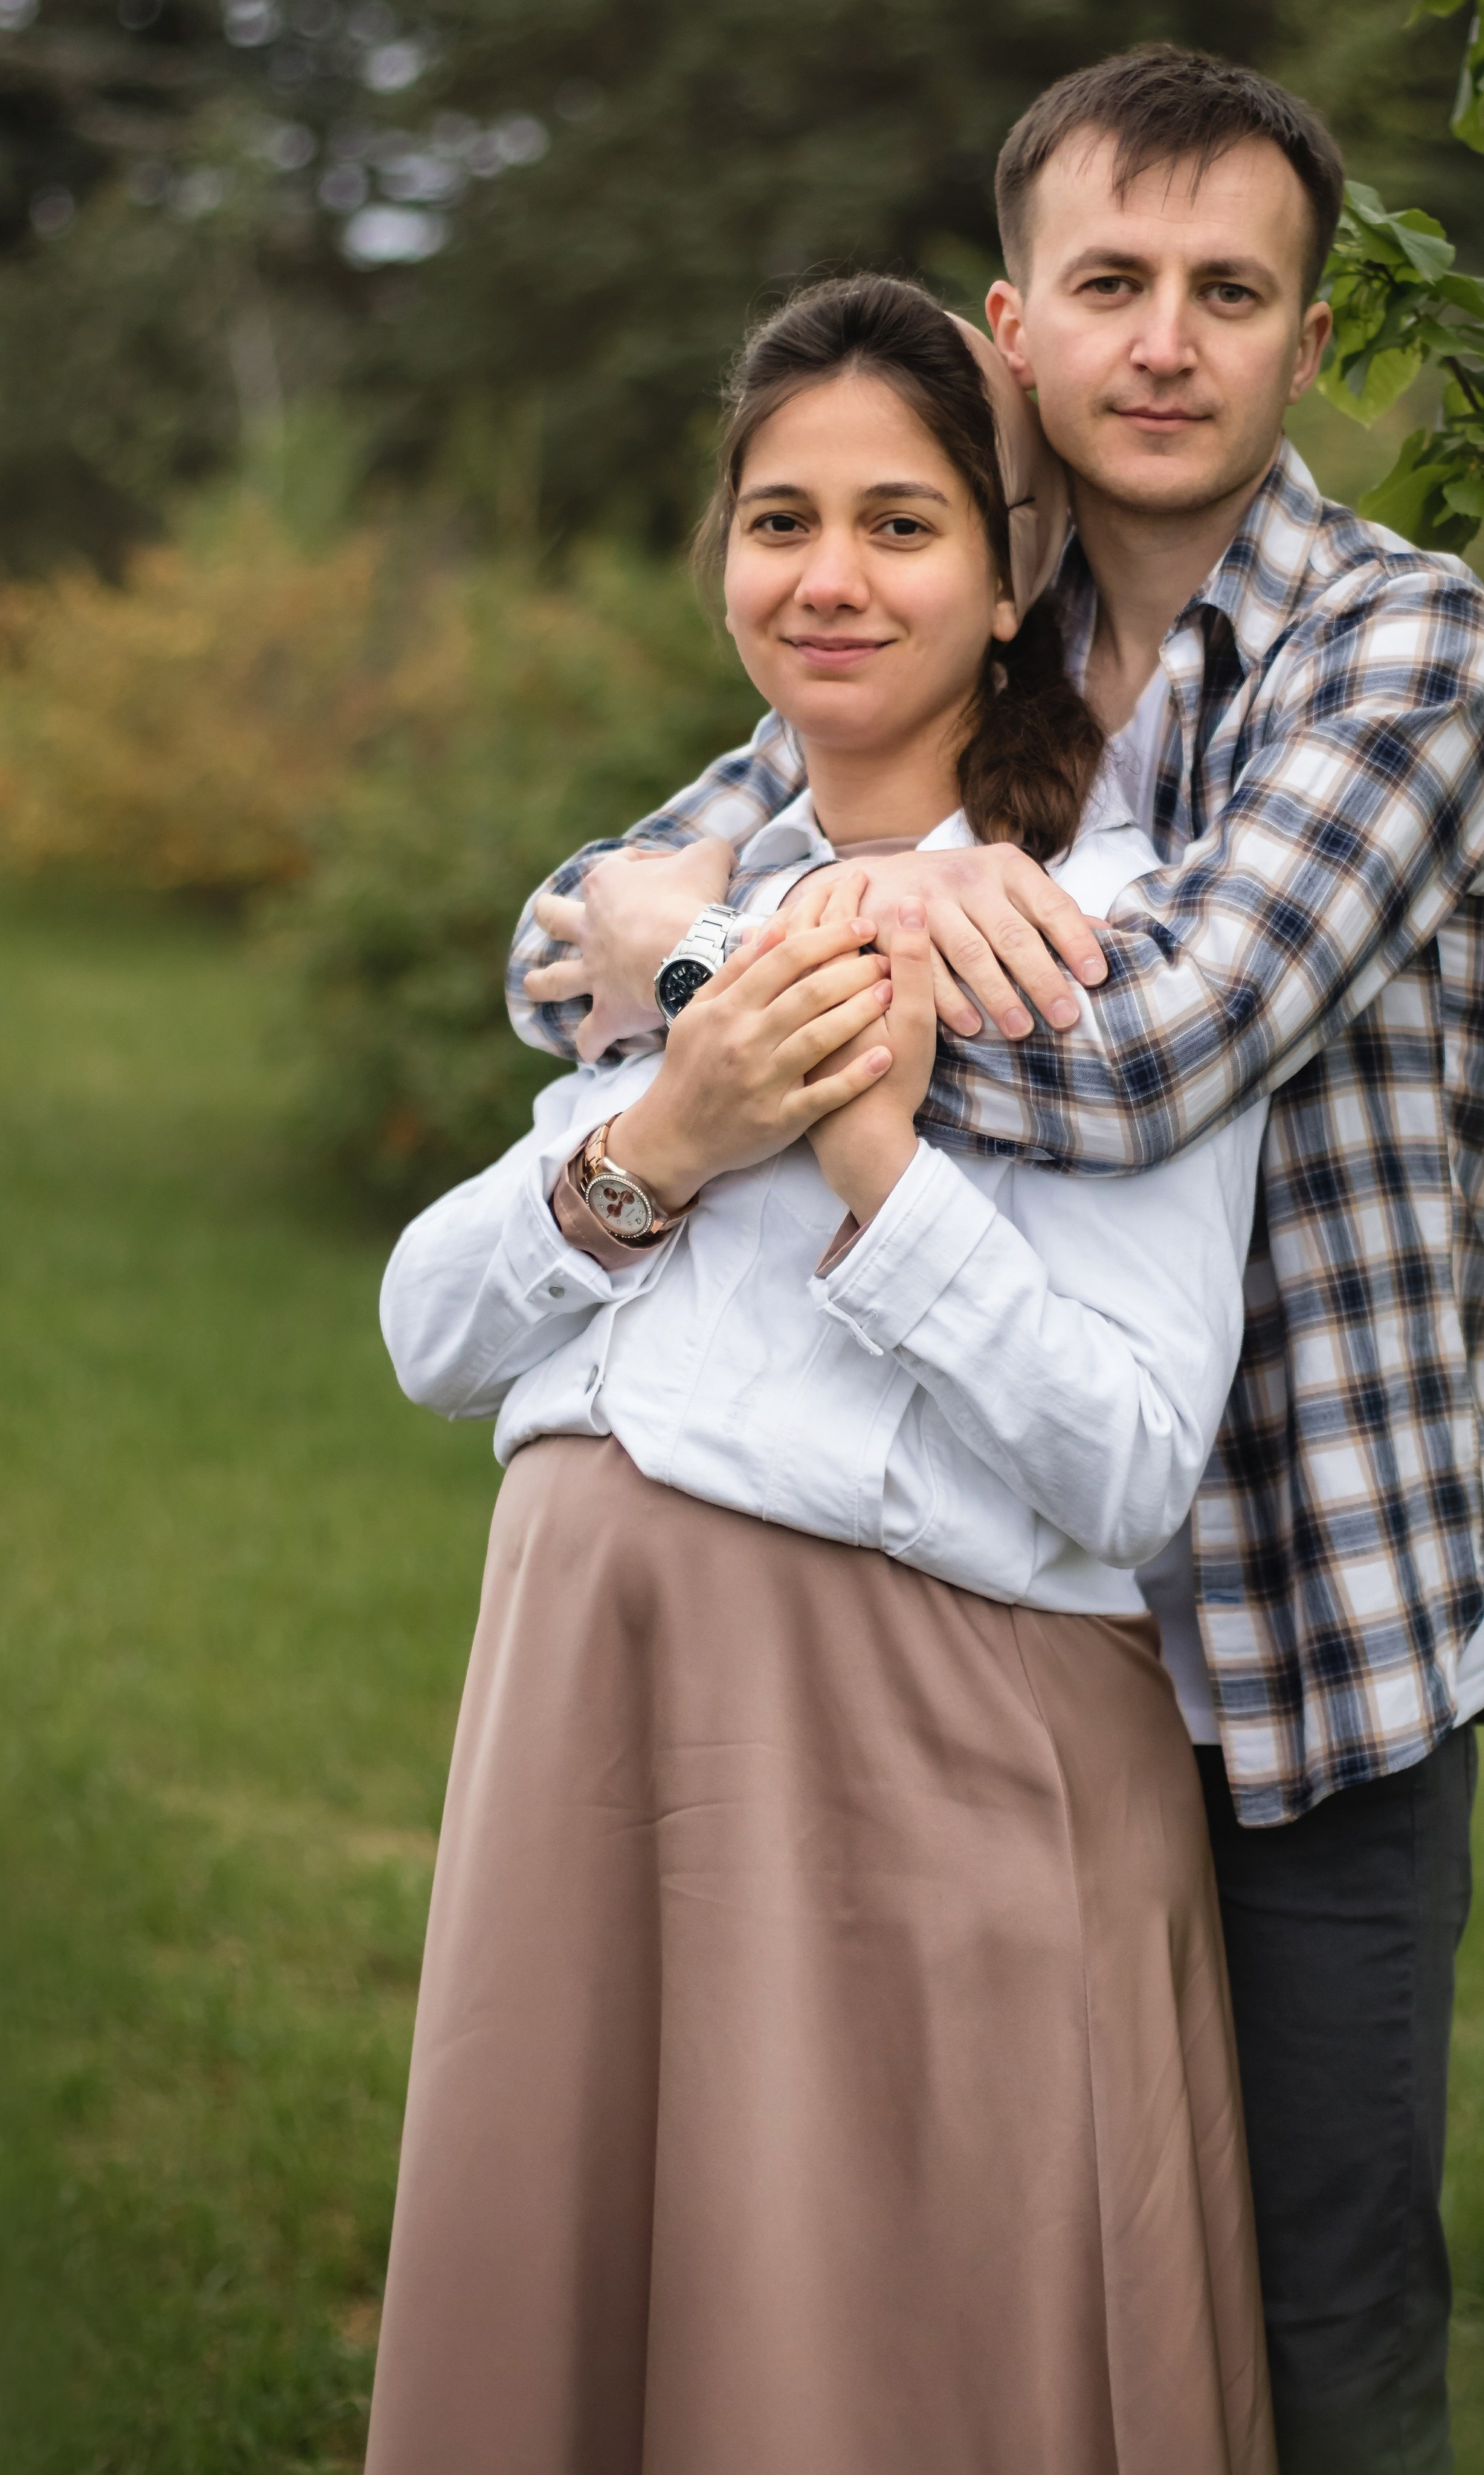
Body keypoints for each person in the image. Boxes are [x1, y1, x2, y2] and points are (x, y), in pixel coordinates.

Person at [509, 45, 1484, 2475]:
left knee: (1316, 2333)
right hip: (974, 1617)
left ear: (1308, 336)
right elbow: (554, 934)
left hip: (1303, 1640)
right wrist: (739, 941)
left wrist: (729, 985)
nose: (1164, 340)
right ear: (1018, 322)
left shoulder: (1406, 662)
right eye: (1110, 283)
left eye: (1229, 289)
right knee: (969, 2282)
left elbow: (1150, 1057)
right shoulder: (973, 611)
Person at [369, 274, 1277, 2475]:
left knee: (870, 2366)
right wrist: (665, 1139)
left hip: (909, 1749)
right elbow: (428, 1331)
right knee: (600, 2342)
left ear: (1005, 577)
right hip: (588, 1712)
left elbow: (1131, 1457)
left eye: (899, 523)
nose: (829, 578)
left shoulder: (1102, 928)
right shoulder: (667, 898)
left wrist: (860, 1143)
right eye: (780, 520)